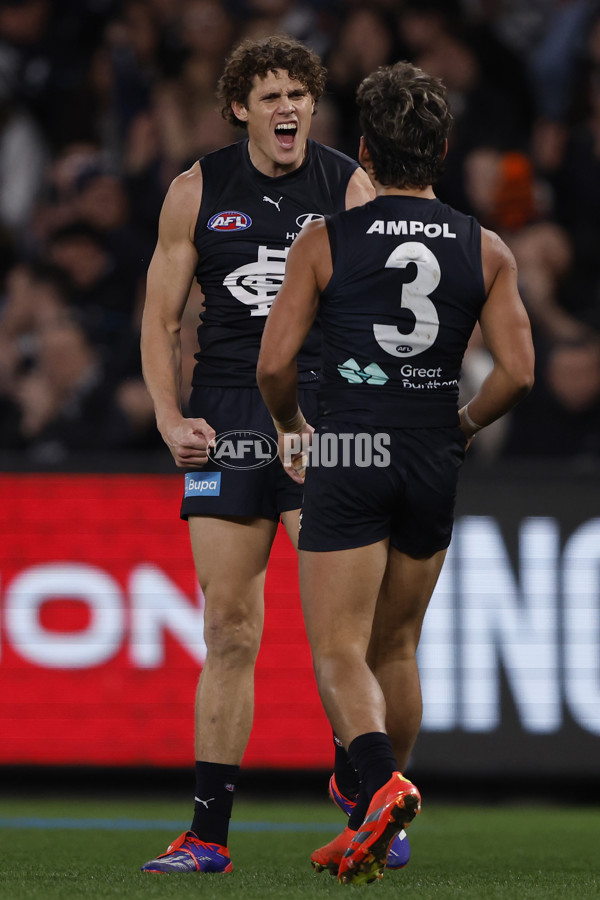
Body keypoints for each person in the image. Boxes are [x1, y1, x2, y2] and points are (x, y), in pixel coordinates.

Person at [257, 60, 535, 884]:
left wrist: (292, 428)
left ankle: (378, 790)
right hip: (428, 452)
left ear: (366, 153)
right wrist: (463, 423)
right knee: (398, 645)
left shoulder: (325, 241)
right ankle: (383, 816)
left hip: (350, 448)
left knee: (338, 649)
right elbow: (517, 372)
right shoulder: (486, 247)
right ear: (443, 149)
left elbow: (275, 366)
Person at [138, 35, 374, 875]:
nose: (287, 110)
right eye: (270, 97)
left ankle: (359, 792)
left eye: (299, 96)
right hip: (231, 415)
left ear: (315, 104)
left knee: (336, 633)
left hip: (320, 419)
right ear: (240, 107)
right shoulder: (196, 189)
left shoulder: (349, 184)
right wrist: (169, 415)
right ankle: (207, 836)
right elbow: (163, 317)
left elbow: (375, 312)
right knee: (229, 629)